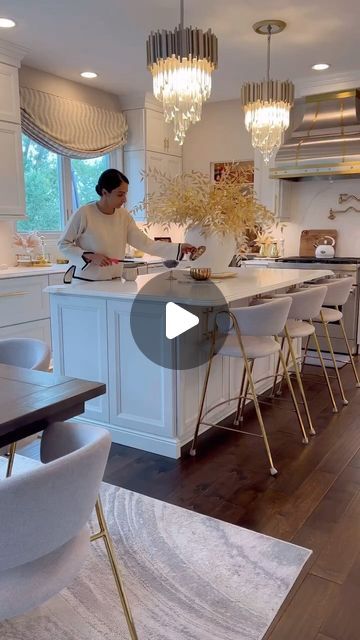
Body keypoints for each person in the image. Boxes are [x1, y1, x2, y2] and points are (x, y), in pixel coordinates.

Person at [58, 168, 196, 282]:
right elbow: (63, 244)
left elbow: (146, 244)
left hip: (114, 281)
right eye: (120, 194)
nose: (125, 199)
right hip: (86, 283)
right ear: (104, 192)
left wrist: (179, 247)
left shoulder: (123, 216)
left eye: (125, 194)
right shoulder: (84, 213)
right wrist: (90, 256)